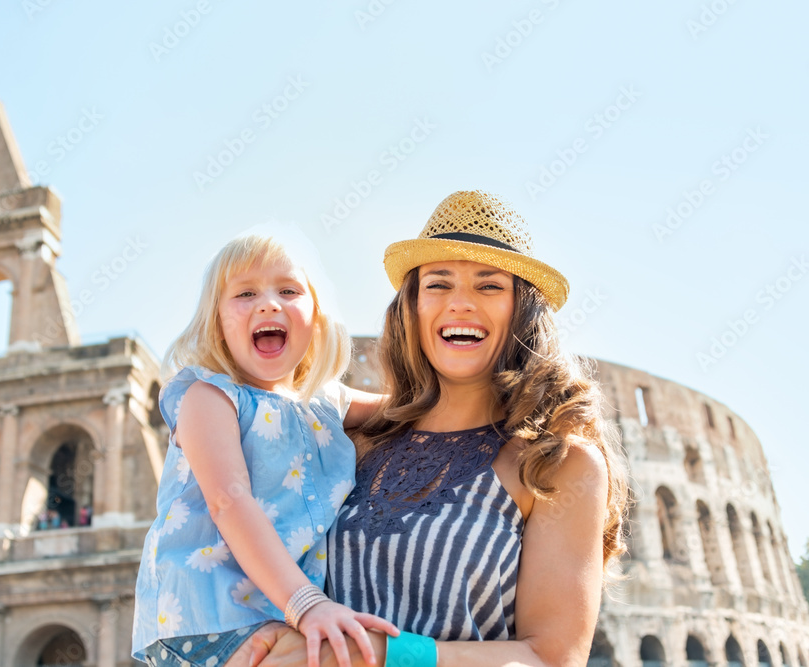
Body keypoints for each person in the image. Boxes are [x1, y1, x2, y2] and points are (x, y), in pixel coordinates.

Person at [241, 190, 629, 666]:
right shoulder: (361, 442)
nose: (460, 304)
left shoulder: (555, 462)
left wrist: (385, 656)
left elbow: (550, 658)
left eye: (488, 286)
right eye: (438, 285)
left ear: (521, 311)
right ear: (413, 308)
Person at [132, 233, 399, 667]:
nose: (269, 303)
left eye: (288, 291)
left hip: (275, 608)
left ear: (316, 318)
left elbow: (406, 412)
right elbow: (228, 503)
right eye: (246, 293)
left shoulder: (325, 402)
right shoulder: (210, 396)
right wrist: (307, 603)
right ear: (217, 322)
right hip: (207, 610)